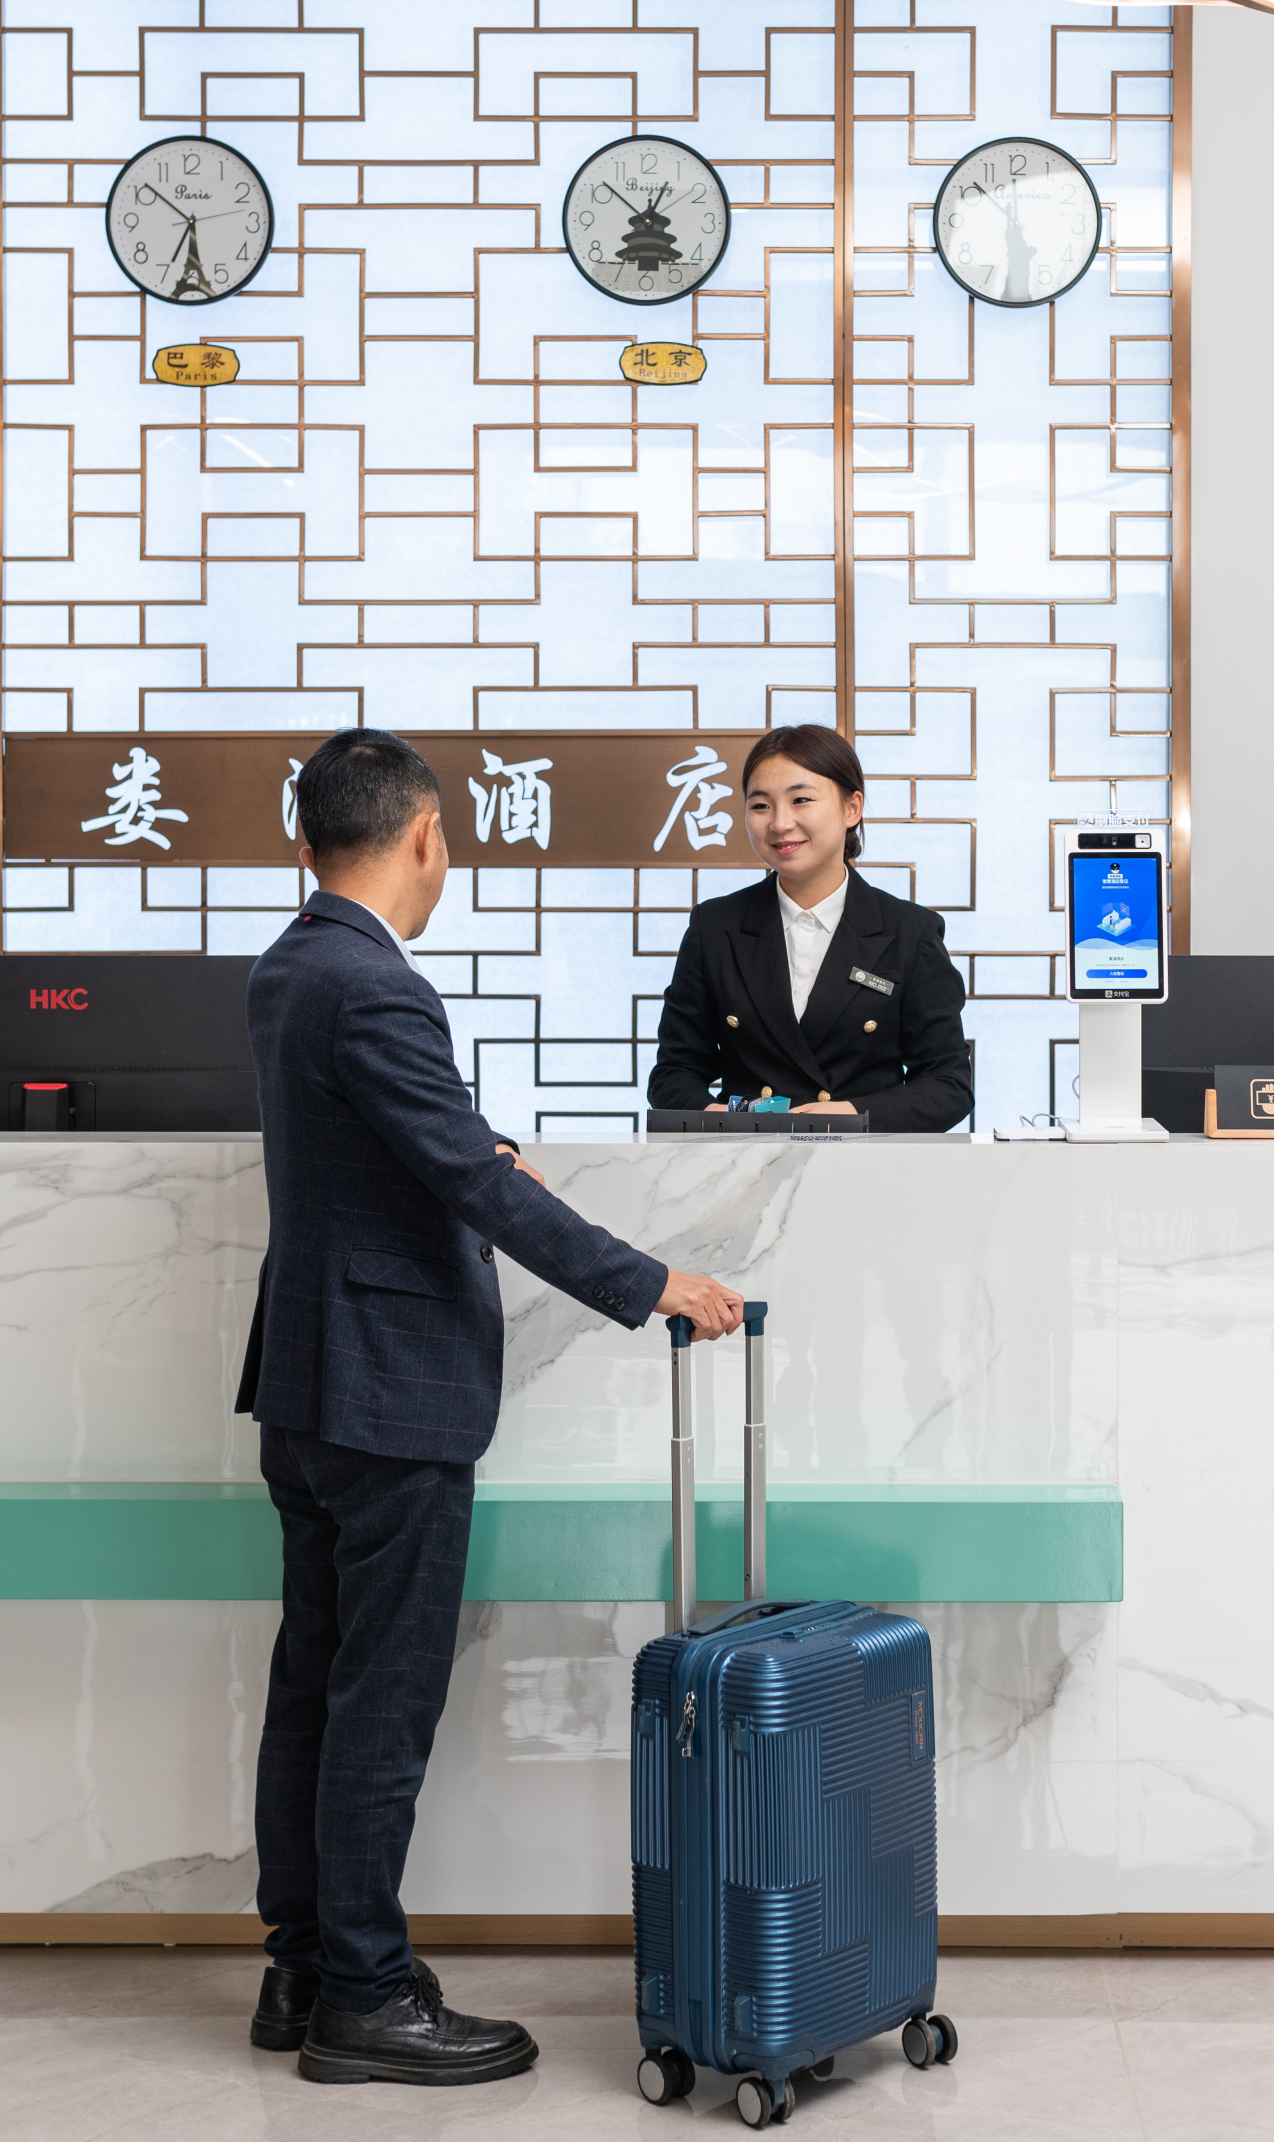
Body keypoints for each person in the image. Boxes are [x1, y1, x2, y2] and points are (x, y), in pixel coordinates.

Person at [238, 727, 745, 2087]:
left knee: (315, 1684)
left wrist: (474, 1146)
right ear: (423, 835)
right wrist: (647, 1282)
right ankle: (362, 1995)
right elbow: (474, 1187)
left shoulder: (291, 965)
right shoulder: (376, 985)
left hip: (310, 1383)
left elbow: (405, 1147)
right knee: (379, 1700)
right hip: (387, 1391)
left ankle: (304, 1965)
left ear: (308, 839)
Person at [647, 723, 976, 1132]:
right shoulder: (714, 927)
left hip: (865, 1159)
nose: (780, 823)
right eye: (760, 805)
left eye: (800, 799)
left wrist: (852, 1115)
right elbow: (673, 1073)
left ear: (852, 808)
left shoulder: (909, 931)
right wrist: (717, 1119)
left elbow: (949, 1085)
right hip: (744, 1159)